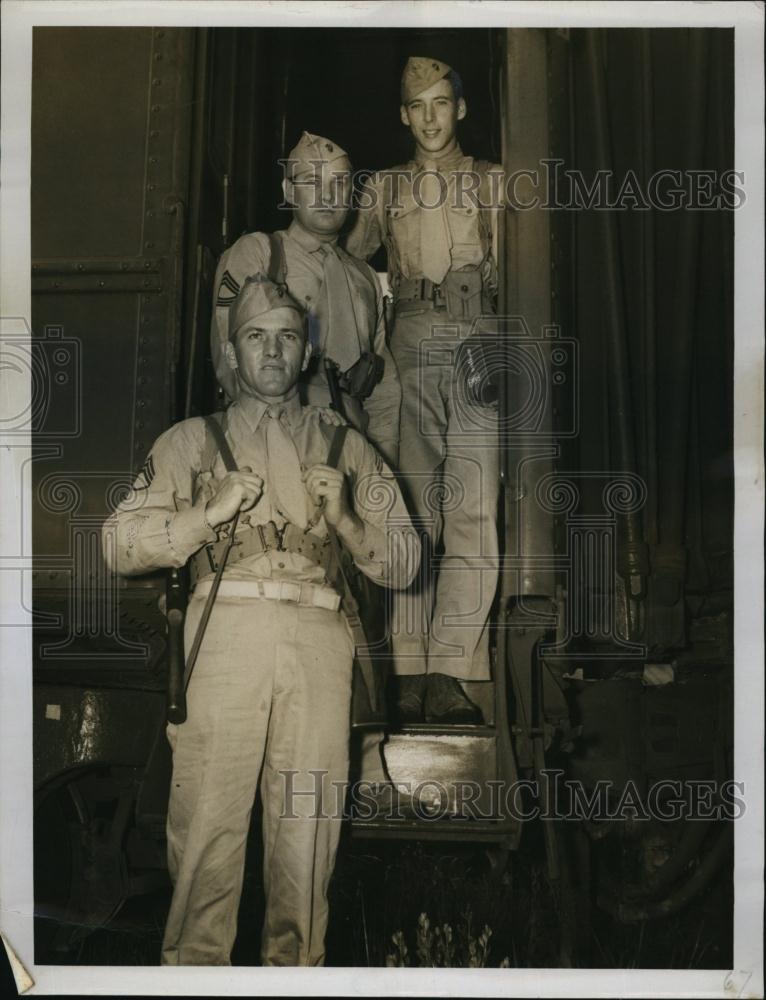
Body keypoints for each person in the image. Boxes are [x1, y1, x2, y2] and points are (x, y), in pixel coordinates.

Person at [103, 274, 419, 966]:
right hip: (225, 639)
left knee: (308, 847)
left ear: (306, 352)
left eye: (286, 337)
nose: (272, 351)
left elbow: (405, 561)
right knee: (207, 843)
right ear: (231, 351)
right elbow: (118, 544)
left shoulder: (346, 443)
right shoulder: (189, 442)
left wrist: (346, 519)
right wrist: (204, 516)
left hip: (318, 639)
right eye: (255, 337)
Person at [346, 56, 503, 724]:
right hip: (408, 350)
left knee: (472, 505)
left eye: (443, 103)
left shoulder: (494, 183)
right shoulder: (383, 189)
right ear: (403, 116)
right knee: (412, 509)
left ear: (460, 110)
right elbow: (349, 268)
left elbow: (521, 270)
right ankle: (409, 669)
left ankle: (452, 668)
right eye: (419, 107)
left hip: (476, 344)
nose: (432, 118)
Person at [211, 131, 401, 468]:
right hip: (278, 443)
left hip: (353, 447)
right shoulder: (260, 253)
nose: (328, 195)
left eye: (339, 183)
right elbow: (233, 363)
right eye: (313, 181)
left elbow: (383, 388)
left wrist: (381, 465)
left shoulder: (366, 277)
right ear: (288, 191)